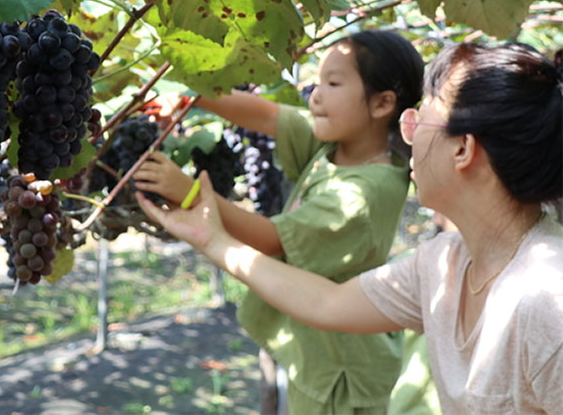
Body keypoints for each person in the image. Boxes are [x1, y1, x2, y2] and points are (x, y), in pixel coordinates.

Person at [136, 42, 563, 413]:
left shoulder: (549, 303)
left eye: (417, 121)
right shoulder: (442, 264)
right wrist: (213, 240)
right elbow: (329, 303)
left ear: (463, 149)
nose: (406, 135)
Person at [135, 30, 425, 413]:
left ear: (382, 103)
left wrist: (190, 192)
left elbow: (273, 241)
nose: (315, 94)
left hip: (341, 375)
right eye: (317, 81)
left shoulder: (365, 193)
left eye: (333, 83)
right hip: (318, 351)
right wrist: (193, 94)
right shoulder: (338, 146)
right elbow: (267, 114)